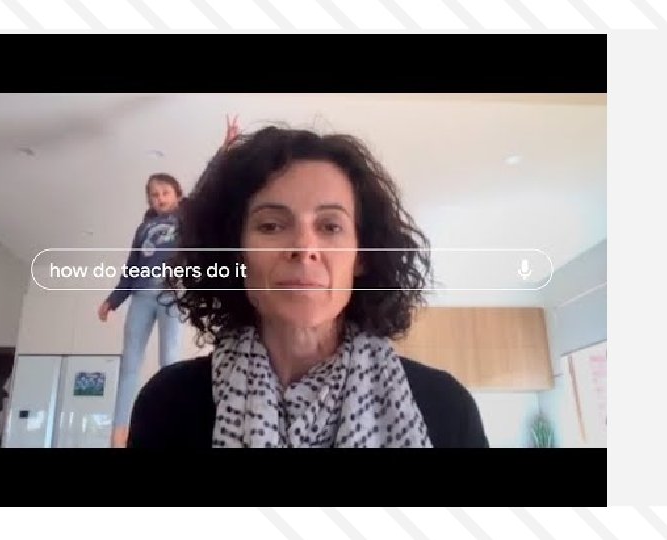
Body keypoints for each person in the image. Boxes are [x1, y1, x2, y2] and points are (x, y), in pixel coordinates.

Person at [127, 123, 489, 448]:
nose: (303, 248)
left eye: (330, 227)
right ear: (237, 254)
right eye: (271, 226)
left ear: (362, 256)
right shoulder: (167, 405)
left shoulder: (446, 409)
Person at [100, 115, 242, 448]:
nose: (159, 198)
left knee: (170, 362)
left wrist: (225, 147)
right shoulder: (144, 228)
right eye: (153, 195)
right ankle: (119, 431)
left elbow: (207, 181)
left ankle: (173, 426)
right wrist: (112, 300)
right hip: (141, 296)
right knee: (129, 362)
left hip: (171, 295)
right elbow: (131, 267)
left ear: (177, 195)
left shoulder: (185, 215)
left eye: (165, 193)